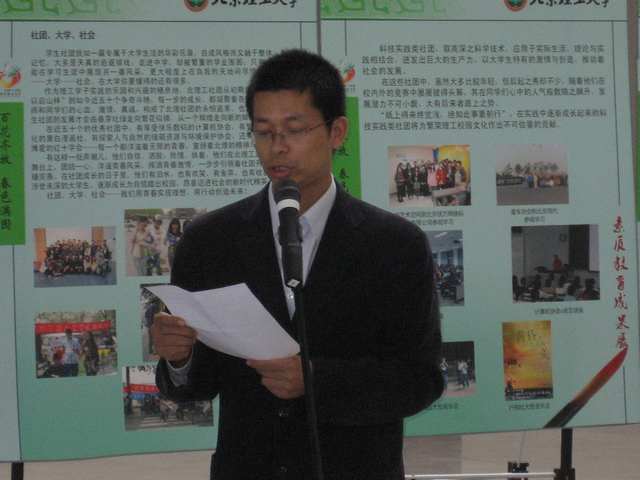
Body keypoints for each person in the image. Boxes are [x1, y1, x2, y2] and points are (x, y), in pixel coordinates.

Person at [151, 49, 443, 480]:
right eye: (263, 131)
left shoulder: (394, 244)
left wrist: (316, 381)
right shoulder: (209, 240)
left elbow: (420, 380)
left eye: (294, 129)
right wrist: (179, 358)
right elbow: (197, 386)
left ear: (336, 131)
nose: (278, 147)